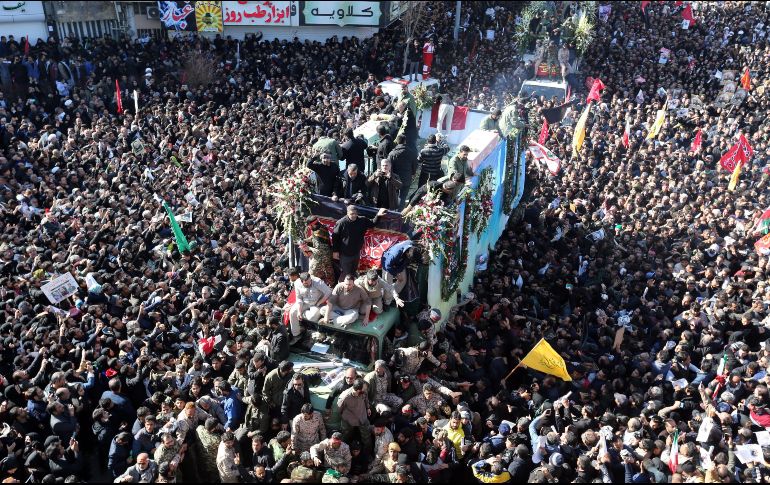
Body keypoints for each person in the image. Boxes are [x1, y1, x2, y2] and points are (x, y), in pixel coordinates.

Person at [332, 205, 387, 279]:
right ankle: (342, 287)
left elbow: (372, 223)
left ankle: (352, 287)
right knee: (346, 275)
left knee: (353, 272)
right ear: (347, 213)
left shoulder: (362, 220)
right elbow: (335, 237)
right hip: (345, 254)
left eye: (355, 213)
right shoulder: (341, 223)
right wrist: (335, 251)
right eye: (352, 214)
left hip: (356, 253)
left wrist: (378, 215)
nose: (354, 215)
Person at [289, 272, 332, 344]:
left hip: (316, 303)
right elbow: (298, 298)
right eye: (306, 283)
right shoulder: (297, 283)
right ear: (301, 281)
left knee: (313, 317)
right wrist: (299, 311)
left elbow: (328, 292)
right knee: (293, 312)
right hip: (304, 302)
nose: (309, 284)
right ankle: (296, 335)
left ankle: (303, 317)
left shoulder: (317, 282)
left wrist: (320, 302)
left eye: (309, 282)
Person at [337, 378, 372, 452]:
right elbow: (340, 409)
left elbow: (366, 399)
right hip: (349, 421)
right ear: (358, 390)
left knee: (367, 438)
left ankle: (366, 454)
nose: (366, 390)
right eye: (364, 389)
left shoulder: (363, 392)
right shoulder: (345, 397)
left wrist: (368, 408)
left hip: (362, 418)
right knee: (345, 438)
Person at [385, 134, 419, 208]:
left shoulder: (392, 153)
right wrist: (413, 173)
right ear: (405, 141)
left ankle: (393, 211)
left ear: (397, 141)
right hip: (407, 177)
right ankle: (399, 212)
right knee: (402, 196)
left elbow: (388, 165)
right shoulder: (411, 152)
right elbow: (415, 164)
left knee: (394, 195)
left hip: (394, 178)